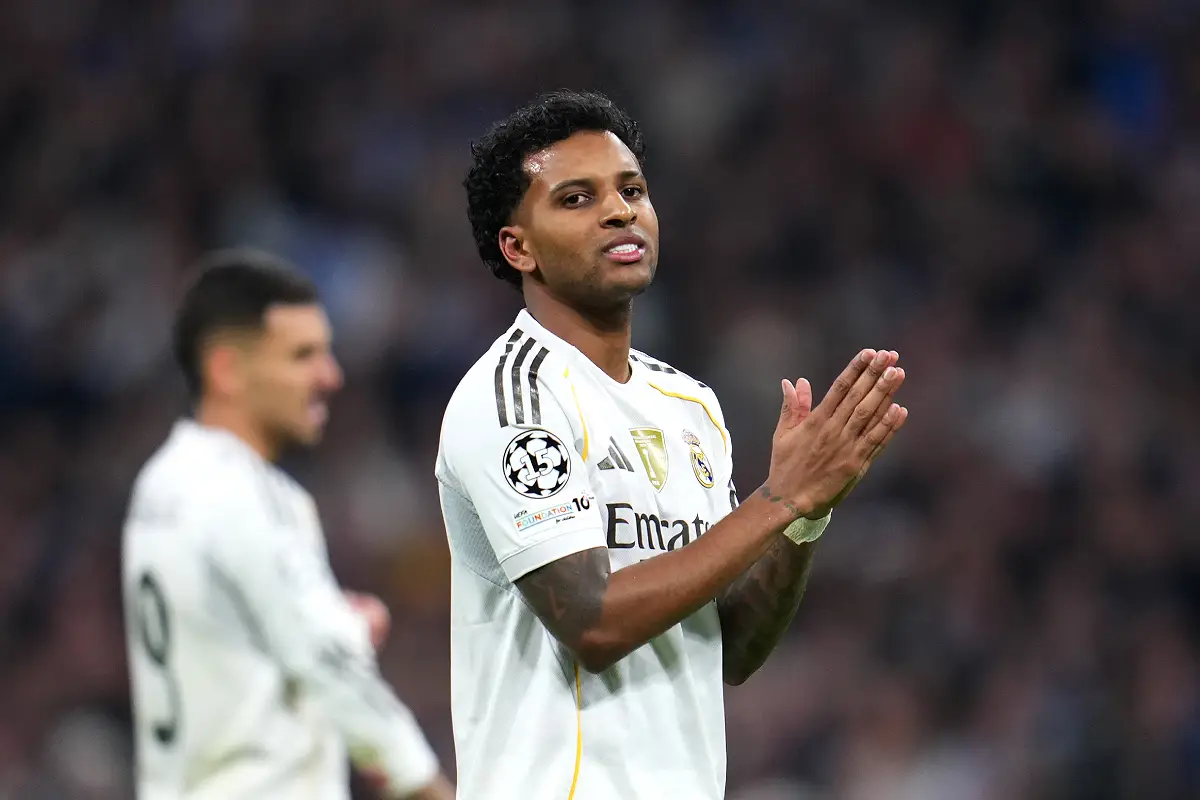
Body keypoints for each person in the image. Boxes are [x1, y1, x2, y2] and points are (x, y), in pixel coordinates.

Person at [436, 89, 909, 798]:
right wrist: (778, 498)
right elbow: (592, 623)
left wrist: (809, 512)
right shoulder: (513, 399)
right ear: (518, 246)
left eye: (632, 189)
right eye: (575, 198)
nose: (620, 211)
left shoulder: (689, 406)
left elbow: (736, 647)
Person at [122, 250, 454, 800]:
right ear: (227, 369)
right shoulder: (253, 494)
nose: (331, 376)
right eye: (303, 356)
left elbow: (227, 645)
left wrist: (335, 624)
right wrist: (425, 784)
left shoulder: (160, 484)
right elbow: (328, 669)